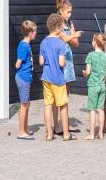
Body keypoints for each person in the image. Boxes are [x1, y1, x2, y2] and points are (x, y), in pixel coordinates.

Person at [39, 13, 77, 141]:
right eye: (61, 27)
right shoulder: (61, 44)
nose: (62, 29)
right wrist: (64, 61)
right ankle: (66, 134)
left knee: (48, 105)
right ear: (57, 28)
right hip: (58, 79)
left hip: (46, 78)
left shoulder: (43, 42)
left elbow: (40, 61)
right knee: (63, 105)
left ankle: (49, 133)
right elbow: (61, 63)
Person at [53, 0, 83, 134]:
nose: (70, 15)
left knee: (66, 93)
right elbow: (63, 38)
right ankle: (56, 125)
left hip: (69, 61)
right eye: (68, 12)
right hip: (60, 60)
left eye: (71, 12)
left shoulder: (70, 23)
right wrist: (73, 36)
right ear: (61, 11)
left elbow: (75, 43)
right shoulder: (57, 23)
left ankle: (65, 123)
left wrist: (72, 36)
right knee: (57, 94)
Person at [82, 33, 106, 140]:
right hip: (102, 86)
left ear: (95, 42)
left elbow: (88, 72)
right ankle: (100, 133)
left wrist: (84, 73)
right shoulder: (105, 56)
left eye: (92, 40)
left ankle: (92, 134)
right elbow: (105, 71)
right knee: (101, 109)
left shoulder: (90, 55)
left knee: (92, 110)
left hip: (93, 85)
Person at [15, 20, 37, 140]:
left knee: (27, 104)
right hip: (23, 78)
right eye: (35, 32)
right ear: (30, 33)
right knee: (24, 105)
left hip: (26, 78)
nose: (36, 34)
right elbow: (17, 64)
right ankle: (21, 132)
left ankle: (26, 128)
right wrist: (20, 64)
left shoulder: (25, 44)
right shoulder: (24, 46)